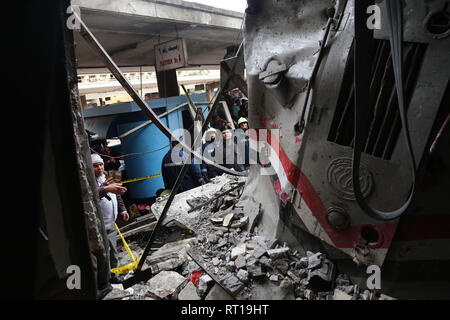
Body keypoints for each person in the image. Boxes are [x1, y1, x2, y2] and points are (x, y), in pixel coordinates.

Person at [91, 153, 130, 285]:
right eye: (95, 166)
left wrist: (123, 210)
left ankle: (114, 275)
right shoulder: (88, 181)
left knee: (113, 251)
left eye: (101, 165)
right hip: (98, 226)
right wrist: (105, 189)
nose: (99, 168)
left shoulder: (107, 176)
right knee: (103, 254)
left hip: (111, 223)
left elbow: (117, 195)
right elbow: (92, 195)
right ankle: (104, 281)